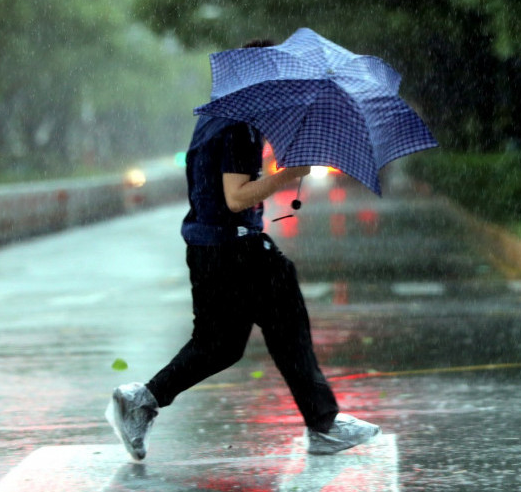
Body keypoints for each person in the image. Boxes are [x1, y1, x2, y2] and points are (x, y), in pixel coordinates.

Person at [105, 39, 380, 461]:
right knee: (285, 315)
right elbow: (236, 197)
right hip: (235, 249)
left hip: (209, 248)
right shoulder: (240, 126)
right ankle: (323, 424)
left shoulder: (219, 115)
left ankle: (141, 400)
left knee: (219, 344)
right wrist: (287, 174)